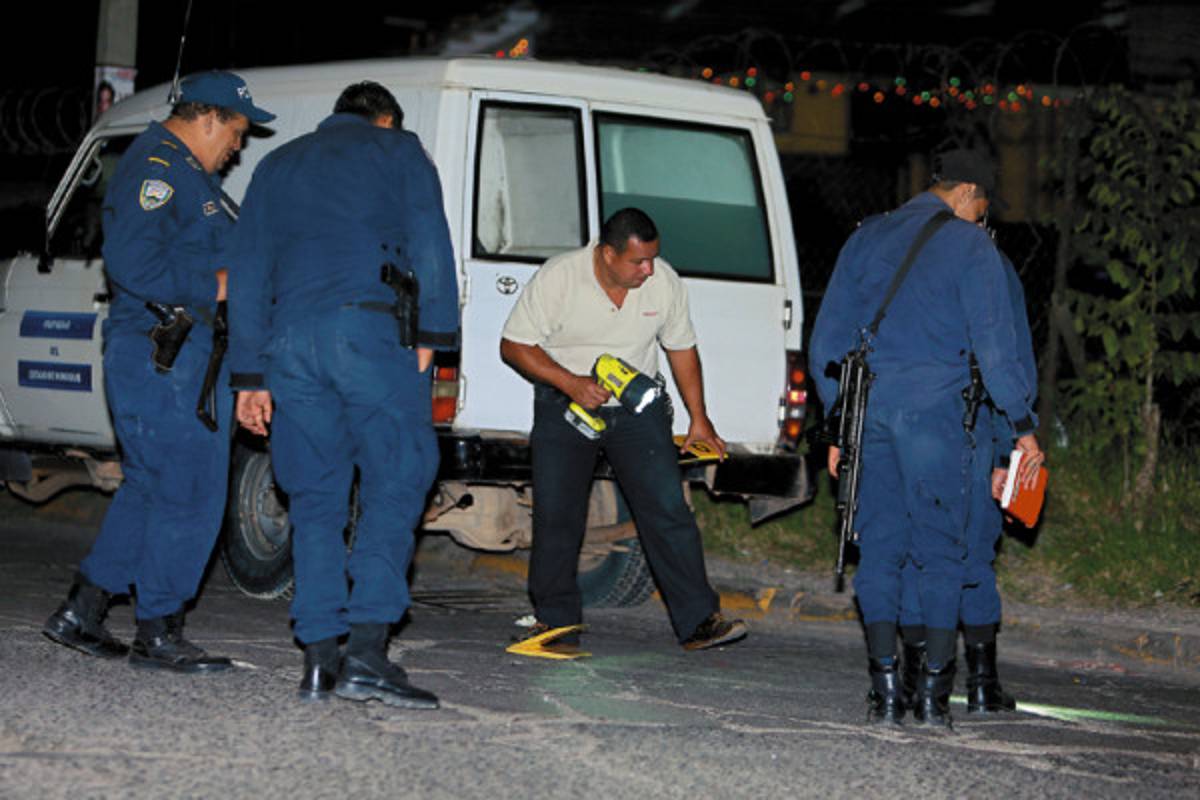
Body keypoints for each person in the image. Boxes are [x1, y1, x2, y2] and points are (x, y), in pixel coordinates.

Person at [227, 81, 458, 708]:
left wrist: (249, 376)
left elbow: (248, 273)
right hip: (369, 335)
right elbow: (429, 239)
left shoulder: (276, 164)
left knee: (314, 499)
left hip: (289, 346)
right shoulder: (398, 150)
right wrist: (435, 336)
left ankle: (318, 657)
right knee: (397, 480)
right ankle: (366, 654)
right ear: (385, 120)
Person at [43, 71, 274, 672]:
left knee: (151, 485)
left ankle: (84, 610)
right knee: (190, 488)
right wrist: (217, 284)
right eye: (237, 131)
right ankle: (159, 631)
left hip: (182, 356)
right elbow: (132, 263)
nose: (239, 146)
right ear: (209, 118)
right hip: (165, 353)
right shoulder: (158, 168)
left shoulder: (191, 176)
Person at [809, 149, 1044, 726]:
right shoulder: (973, 247)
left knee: (880, 551)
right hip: (937, 418)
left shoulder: (866, 236)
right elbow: (996, 348)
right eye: (982, 206)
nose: (982, 217)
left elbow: (827, 343)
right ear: (966, 193)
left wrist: (839, 423)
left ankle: (888, 693)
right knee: (942, 553)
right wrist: (1021, 428)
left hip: (871, 415)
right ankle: (936, 699)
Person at [499, 207, 746, 652]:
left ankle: (699, 622)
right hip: (566, 405)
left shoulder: (664, 281)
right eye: (638, 261)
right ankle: (555, 623)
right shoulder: (561, 277)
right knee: (558, 516)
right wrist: (570, 383)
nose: (648, 270)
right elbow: (514, 345)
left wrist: (699, 417)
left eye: (652, 258)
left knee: (668, 510)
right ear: (607, 254)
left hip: (637, 409)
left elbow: (681, 348)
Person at [898, 250, 1038, 715]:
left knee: (919, 551)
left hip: (909, 428)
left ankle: (914, 679)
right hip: (970, 427)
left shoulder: (903, 253)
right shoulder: (989, 264)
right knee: (972, 552)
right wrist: (1007, 451)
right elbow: (1011, 362)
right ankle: (981, 683)